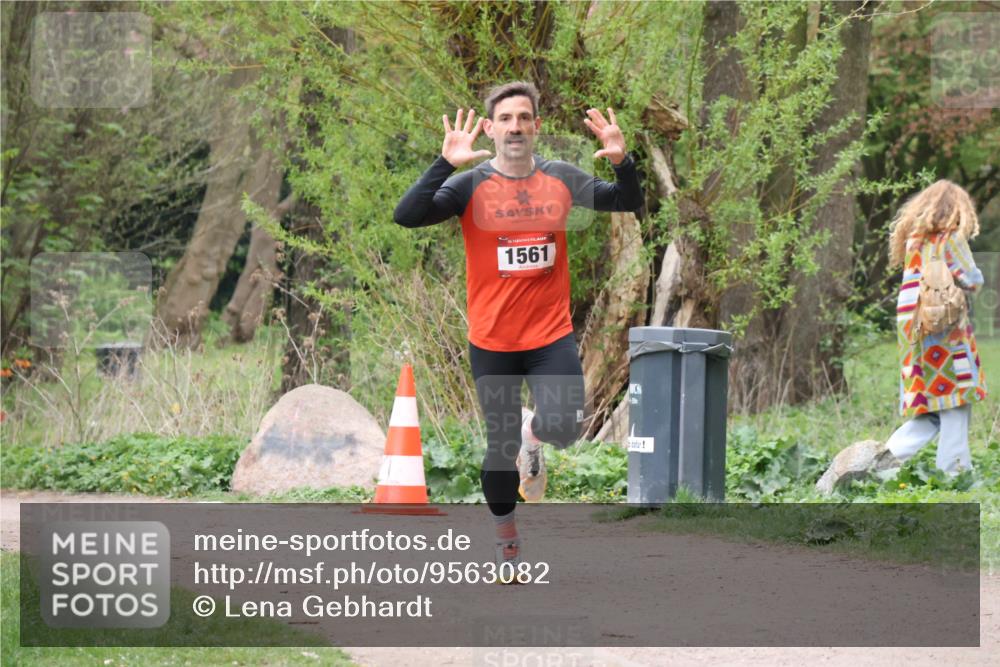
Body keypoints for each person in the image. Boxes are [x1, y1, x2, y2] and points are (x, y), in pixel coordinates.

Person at [393, 81, 642, 575]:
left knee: (567, 429)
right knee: (499, 450)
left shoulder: (561, 178)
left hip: (550, 336)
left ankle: (536, 430)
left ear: (536, 127)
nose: (514, 127)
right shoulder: (470, 185)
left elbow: (626, 200)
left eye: (523, 118)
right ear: (490, 127)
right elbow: (407, 216)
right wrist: (445, 164)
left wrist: (620, 160)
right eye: (505, 119)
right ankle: (507, 541)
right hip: (493, 342)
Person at [884, 179, 987, 474]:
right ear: (957, 209)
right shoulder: (950, 239)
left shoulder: (913, 240)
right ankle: (954, 474)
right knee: (955, 405)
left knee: (928, 412)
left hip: (914, 335)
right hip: (945, 336)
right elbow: (972, 279)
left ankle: (880, 466)